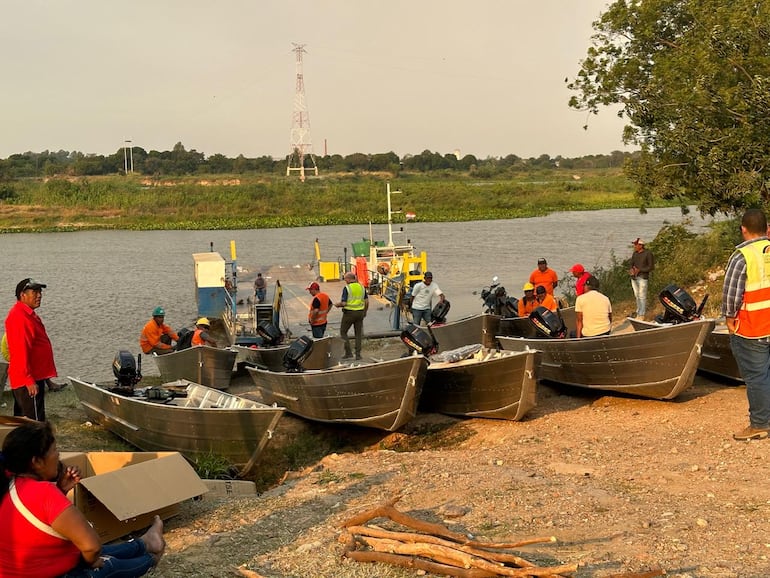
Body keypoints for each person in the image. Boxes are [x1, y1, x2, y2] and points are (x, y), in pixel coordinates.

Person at [0, 421, 165, 577]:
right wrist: (93, 562)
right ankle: (150, 560)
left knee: (81, 553)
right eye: (54, 450)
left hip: (32, 569)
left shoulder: (11, 484)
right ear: (36, 461)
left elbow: (40, 521)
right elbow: (92, 546)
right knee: (104, 565)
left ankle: (146, 543)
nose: (58, 455)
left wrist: (61, 490)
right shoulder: (44, 492)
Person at [722, 209, 770, 441]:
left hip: (754, 328)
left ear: (743, 228)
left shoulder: (742, 256)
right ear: (766, 227)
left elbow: (732, 294)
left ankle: (760, 424)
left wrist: (730, 319)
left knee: (757, 377)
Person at [4, 278, 58, 421]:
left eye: (40, 292)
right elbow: (20, 351)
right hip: (27, 379)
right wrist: (28, 379)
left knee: (23, 423)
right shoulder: (20, 317)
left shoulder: (27, 314)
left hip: (32, 376)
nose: (39, 295)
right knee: (34, 424)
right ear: (23, 295)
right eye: (35, 292)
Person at [335, 271, 368, 360]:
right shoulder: (362, 287)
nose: (345, 280)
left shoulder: (347, 288)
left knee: (343, 332)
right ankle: (358, 354)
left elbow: (344, 303)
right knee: (358, 334)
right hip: (360, 313)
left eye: (345, 278)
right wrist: (365, 312)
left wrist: (338, 304)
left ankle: (348, 353)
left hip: (349, 313)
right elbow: (366, 301)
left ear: (349, 279)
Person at [629, 238, 655, 318]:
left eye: (636, 245)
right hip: (634, 277)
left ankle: (642, 313)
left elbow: (651, 267)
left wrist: (640, 270)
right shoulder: (635, 254)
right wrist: (631, 269)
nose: (635, 246)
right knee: (637, 295)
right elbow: (631, 263)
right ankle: (638, 309)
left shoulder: (648, 254)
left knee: (642, 295)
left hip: (643, 277)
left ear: (641, 245)